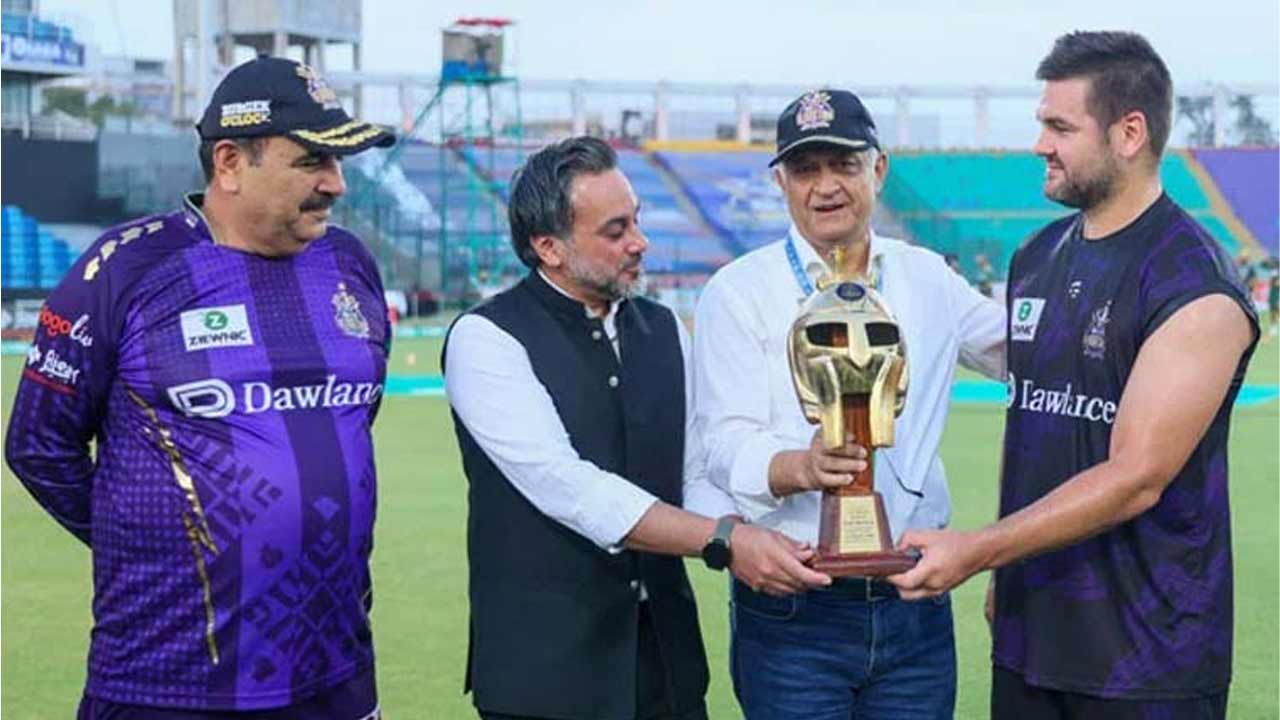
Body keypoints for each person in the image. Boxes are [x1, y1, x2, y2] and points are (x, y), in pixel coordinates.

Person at [6, 55, 395, 719]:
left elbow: (353, 424)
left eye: (338, 162)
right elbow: (40, 446)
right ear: (230, 163)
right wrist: (154, 542)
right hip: (166, 679)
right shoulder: (125, 268)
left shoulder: (349, 263)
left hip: (337, 670)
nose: (336, 183)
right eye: (311, 161)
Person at [888, 32, 1259, 720]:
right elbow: (1037, 429)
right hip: (1030, 638)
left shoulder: (1191, 280)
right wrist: (1005, 569)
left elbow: (1137, 476)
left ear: (1129, 133)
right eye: (1042, 125)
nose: (1040, 145)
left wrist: (978, 550)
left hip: (1148, 659)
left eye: (1060, 127)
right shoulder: (1037, 257)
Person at [442, 136, 829, 720]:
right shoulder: (486, 338)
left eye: (637, 221)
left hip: (666, 668)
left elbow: (693, 473)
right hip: (544, 678)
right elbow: (568, 487)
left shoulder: (665, 328)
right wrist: (724, 541)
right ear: (548, 247)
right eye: (615, 231)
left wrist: (768, 528)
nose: (639, 242)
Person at [690, 89, 1005, 719]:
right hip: (795, 602)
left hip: (914, 596)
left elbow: (1020, 352)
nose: (826, 185)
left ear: (878, 169)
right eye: (806, 169)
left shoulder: (927, 276)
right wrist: (800, 467)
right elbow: (722, 442)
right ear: (781, 181)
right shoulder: (738, 292)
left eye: (845, 164)